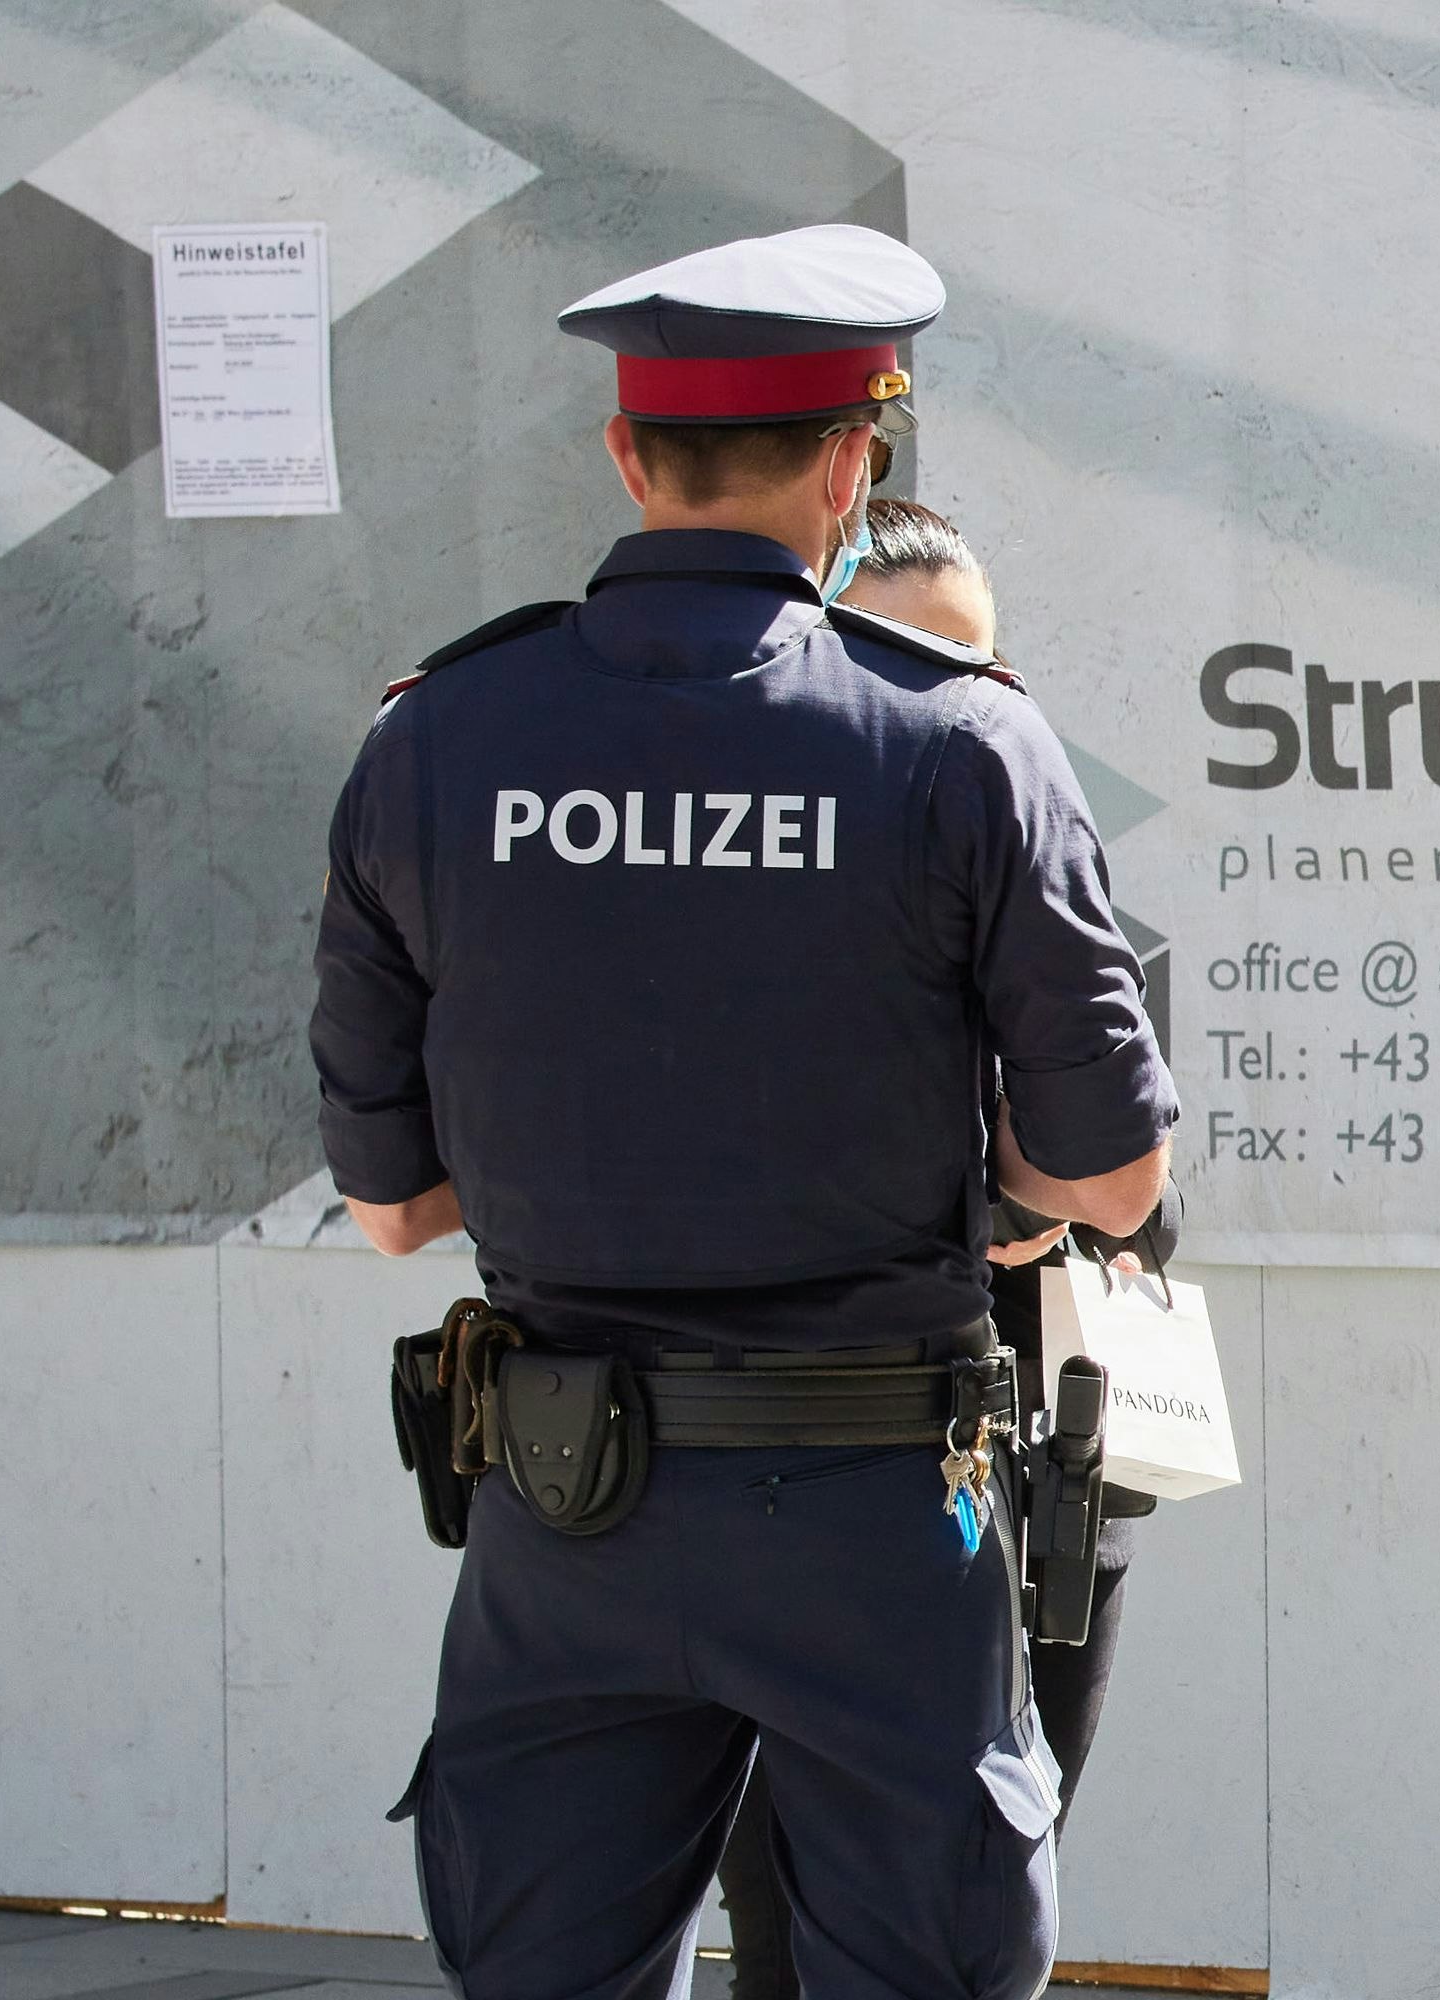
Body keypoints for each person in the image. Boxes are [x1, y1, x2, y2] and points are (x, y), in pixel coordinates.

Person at [307, 223, 1177, 2000]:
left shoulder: (434, 738)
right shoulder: (959, 744)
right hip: (877, 1506)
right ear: (857, 464)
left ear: (626, 456)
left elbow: (394, 1209)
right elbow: (1107, 1165)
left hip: (565, 1505)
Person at [712, 494, 1167, 2000]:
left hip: (1043, 1489)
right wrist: (991, 1219)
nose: (946, 698)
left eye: (976, 662)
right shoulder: (745, 909)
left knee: (981, 1913)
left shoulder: (1051, 881)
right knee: (795, 1916)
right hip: (819, 1478)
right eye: (901, 655)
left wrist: (1033, 1216)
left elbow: (1149, 1203)